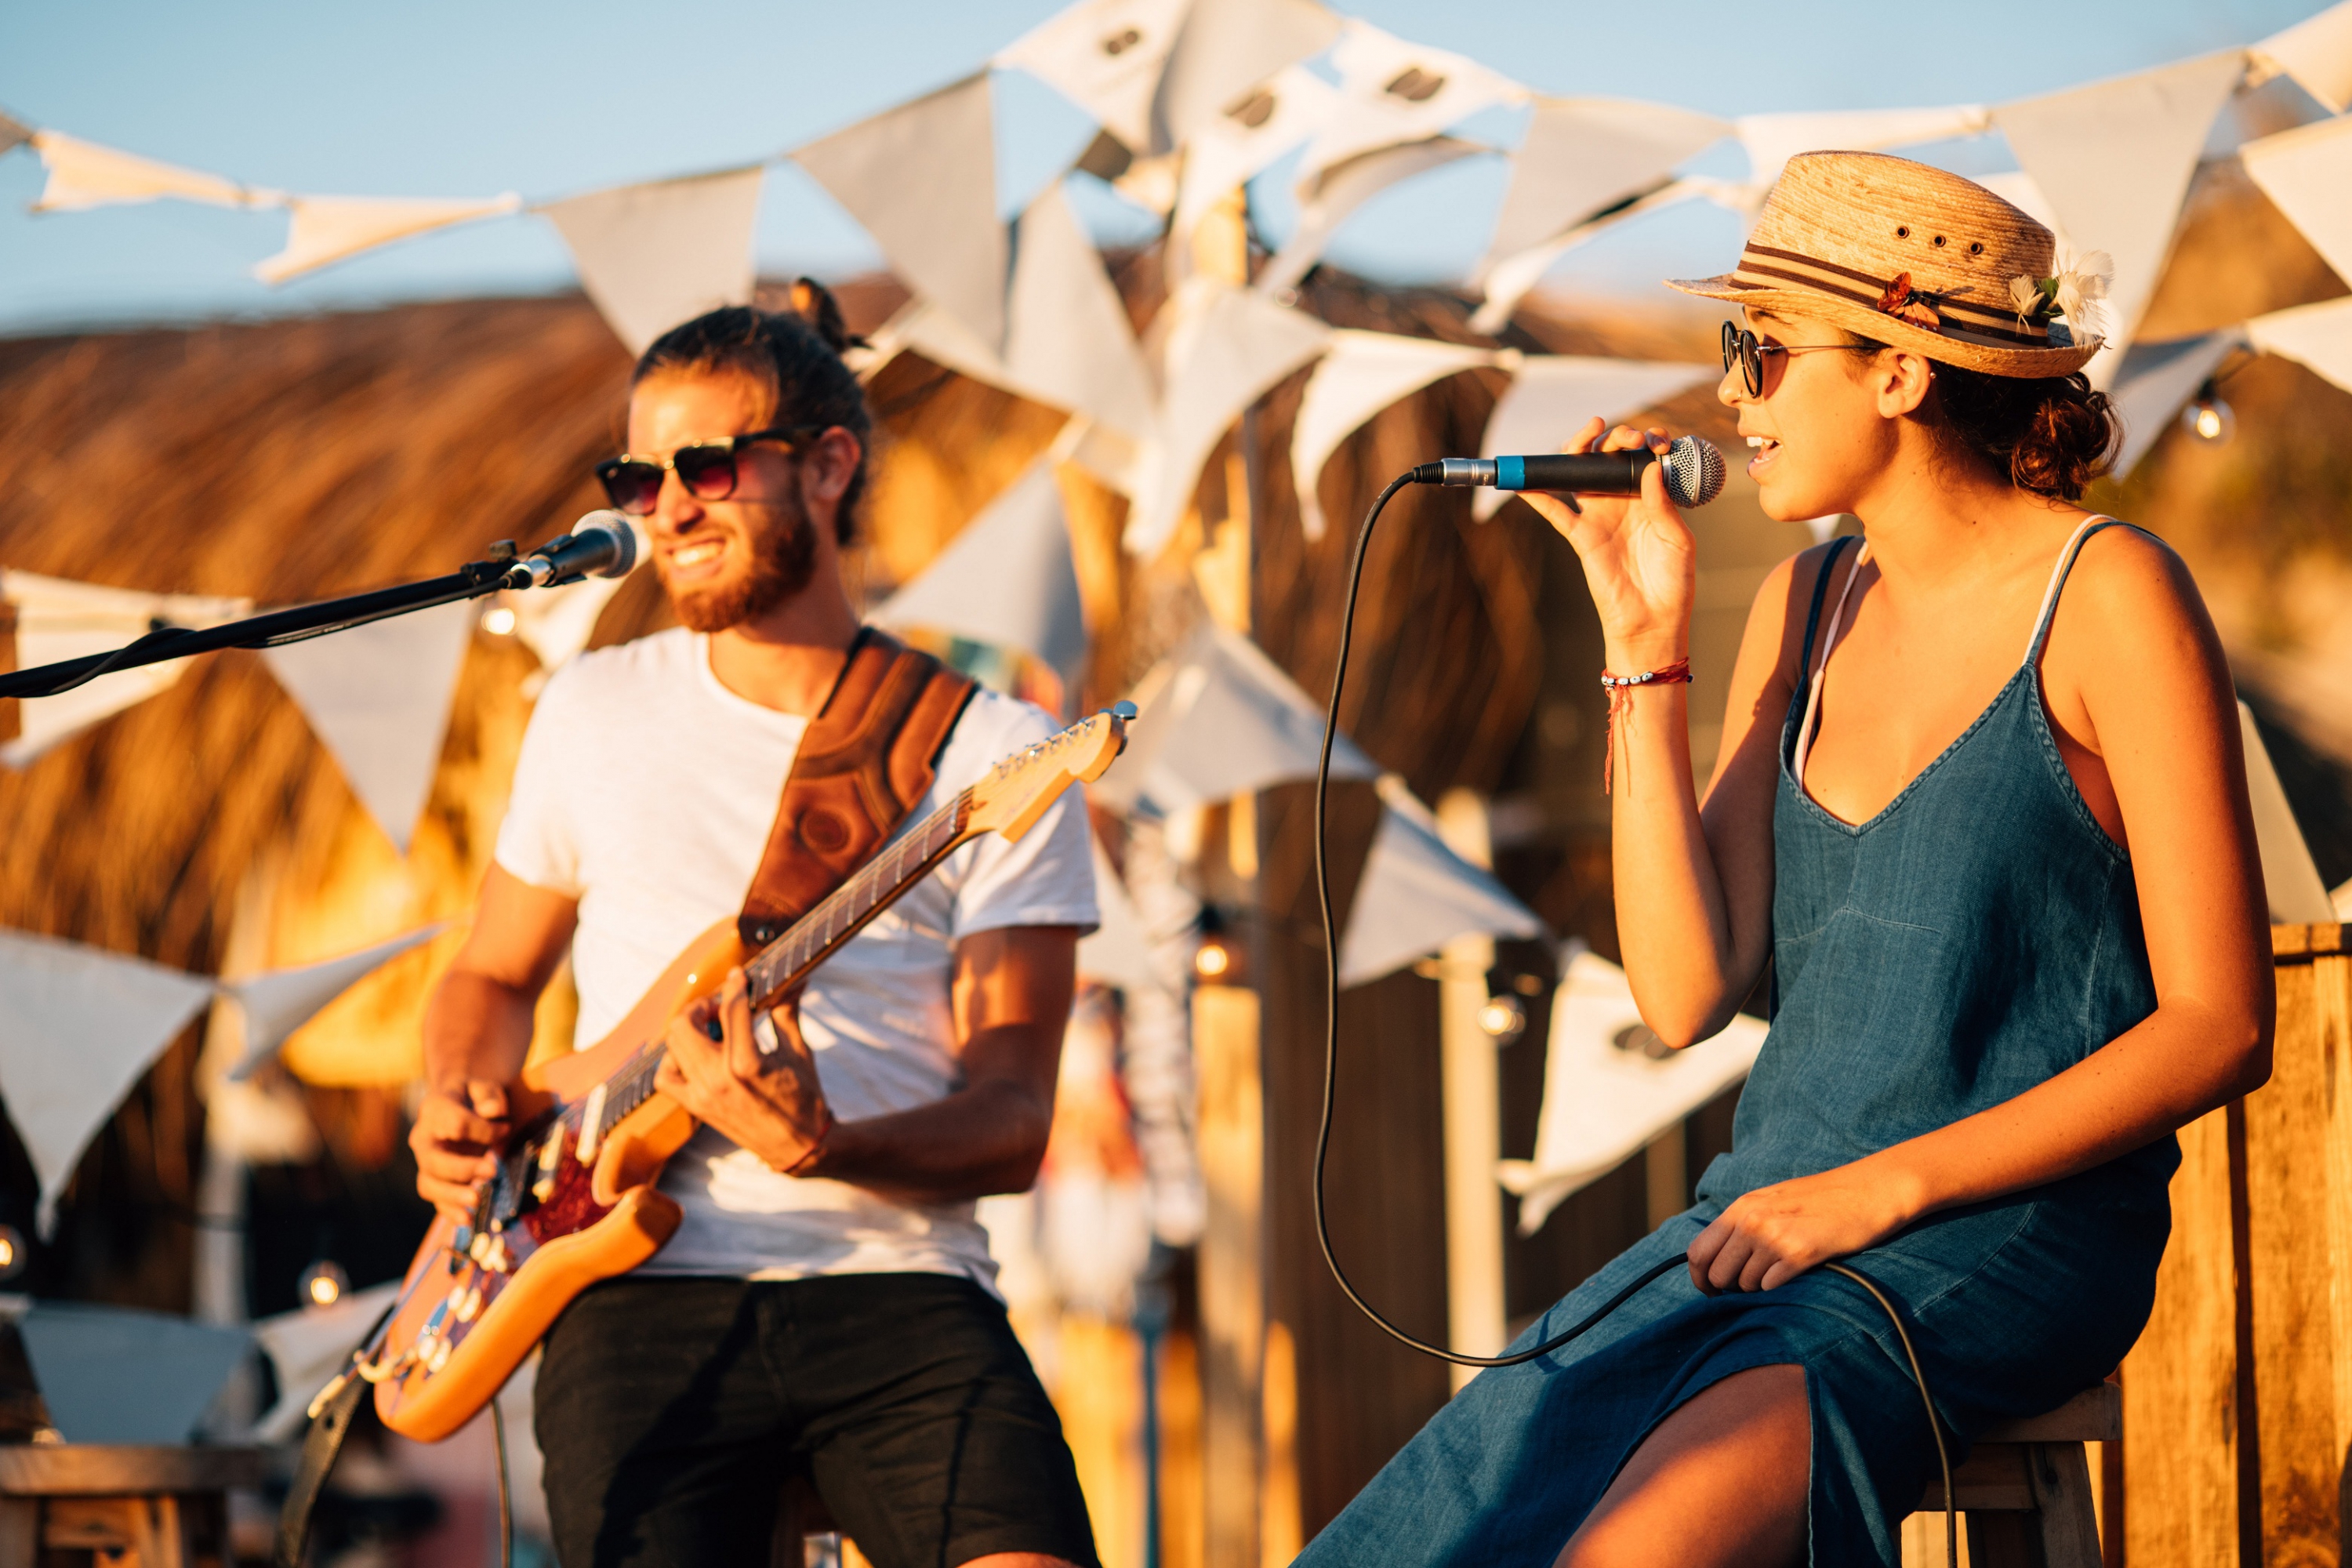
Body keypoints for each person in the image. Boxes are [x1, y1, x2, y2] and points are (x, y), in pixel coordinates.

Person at [1298, 152, 2271, 1567]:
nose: (1734, 397)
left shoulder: (2111, 595)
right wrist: (1648, 652)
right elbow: (1685, 991)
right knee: (1420, 1540)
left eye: (1760, 351)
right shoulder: (1806, 602)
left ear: (1901, 372)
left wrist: (1887, 1189)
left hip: (2003, 1235)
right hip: (1767, 1219)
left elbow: (2221, 1023)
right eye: (1727, 351)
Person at [408, 289, 1103, 1568]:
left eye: (710, 467)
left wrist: (824, 1145)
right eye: (638, 475)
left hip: (897, 1283)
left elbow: (1014, 1119)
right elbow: (494, 974)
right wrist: (457, 1090)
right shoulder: (590, 709)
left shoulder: (992, 752)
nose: (666, 507)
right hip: (627, 1293)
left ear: (829, 465)